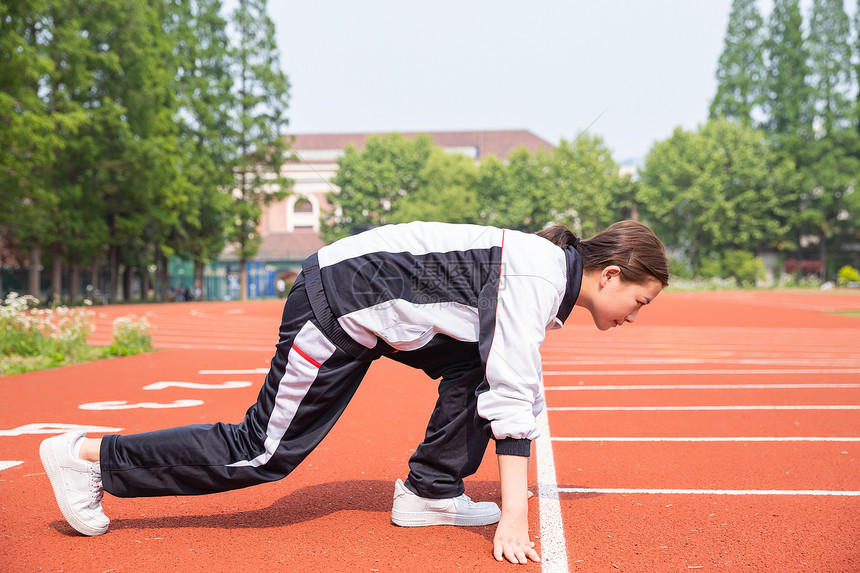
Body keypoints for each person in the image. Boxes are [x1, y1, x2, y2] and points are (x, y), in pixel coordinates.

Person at [40, 220, 669, 564]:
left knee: (483, 369)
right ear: (610, 275)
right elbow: (512, 400)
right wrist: (513, 517)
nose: (633, 316)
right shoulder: (534, 277)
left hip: (378, 309)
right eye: (637, 302)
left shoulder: (544, 274)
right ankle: (87, 455)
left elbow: (512, 381)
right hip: (335, 304)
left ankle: (430, 493)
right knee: (262, 453)